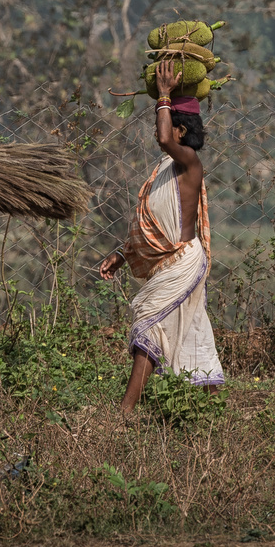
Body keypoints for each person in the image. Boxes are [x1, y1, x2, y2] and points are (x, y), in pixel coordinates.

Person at [98, 57, 226, 413]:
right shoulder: (167, 169)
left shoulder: (189, 162)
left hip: (181, 261)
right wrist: (122, 254)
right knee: (195, 331)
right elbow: (153, 223)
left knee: (148, 330)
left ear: (182, 131)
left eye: (172, 125)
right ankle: (214, 413)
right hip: (174, 262)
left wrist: (165, 95)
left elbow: (163, 136)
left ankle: (123, 414)